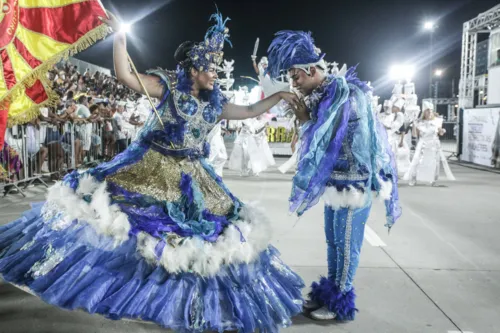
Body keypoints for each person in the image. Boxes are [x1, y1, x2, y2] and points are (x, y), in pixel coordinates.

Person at [0, 10, 304, 333]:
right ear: (194, 68)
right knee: (135, 227)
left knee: (197, 237)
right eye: (210, 68)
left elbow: (251, 110)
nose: (215, 74)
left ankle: (184, 299)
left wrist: (280, 96)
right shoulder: (168, 86)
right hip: (150, 167)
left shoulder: (216, 103)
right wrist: (121, 37)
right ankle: (129, 285)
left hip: (194, 178)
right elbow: (125, 76)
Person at [267, 30, 401, 321]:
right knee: (332, 241)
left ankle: (340, 301)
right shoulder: (324, 93)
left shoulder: (343, 93)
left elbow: (324, 139)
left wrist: (303, 119)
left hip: (355, 183)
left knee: (346, 244)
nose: (294, 83)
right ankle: (329, 292)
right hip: (336, 182)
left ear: (312, 70)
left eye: (296, 77)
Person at [404, 102, 455, 186]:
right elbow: (414, 135)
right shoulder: (418, 122)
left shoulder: (437, 121)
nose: (429, 112)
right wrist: (414, 125)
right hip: (423, 143)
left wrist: (442, 131)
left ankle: (433, 180)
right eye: (428, 110)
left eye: (431, 110)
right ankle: (413, 178)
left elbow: (440, 133)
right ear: (424, 112)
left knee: (434, 162)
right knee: (418, 161)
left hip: (434, 144)